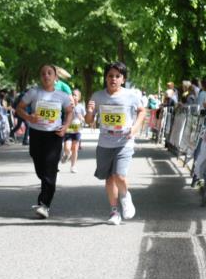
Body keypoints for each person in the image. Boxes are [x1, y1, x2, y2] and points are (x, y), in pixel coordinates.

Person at [85, 61, 145, 225]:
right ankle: (114, 212)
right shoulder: (97, 96)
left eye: (117, 76)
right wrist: (90, 112)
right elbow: (89, 120)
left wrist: (135, 128)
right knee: (109, 178)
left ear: (123, 79)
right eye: (110, 76)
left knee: (119, 175)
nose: (113, 79)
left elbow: (142, 112)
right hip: (105, 142)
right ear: (105, 78)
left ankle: (125, 197)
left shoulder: (131, 95)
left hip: (124, 141)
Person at [17, 64, 73, 219]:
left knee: (49, 169)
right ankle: (50, 177)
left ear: (55, 77)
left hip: (54, 135)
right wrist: (29, 117)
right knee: (40, 168)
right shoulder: (33, 93)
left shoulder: (62, 95)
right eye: (43, 73)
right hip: (36, 134)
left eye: (50, 73)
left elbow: (69, 112)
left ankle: (44, 204)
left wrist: (65, 127)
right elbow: (19, 108)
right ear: (40, 77)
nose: (46, 76)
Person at [62, 89, 85, 172]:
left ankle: (73, 166)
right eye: (72, 95)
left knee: (75, 148)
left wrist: (81, 117)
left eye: (75, 95)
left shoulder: (81, 107)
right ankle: (67, 154)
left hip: (77, 130)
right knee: (67, 148)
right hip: (68, 130)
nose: (74, 96)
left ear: (79, 98)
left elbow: (84, 118)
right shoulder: (67, 105)